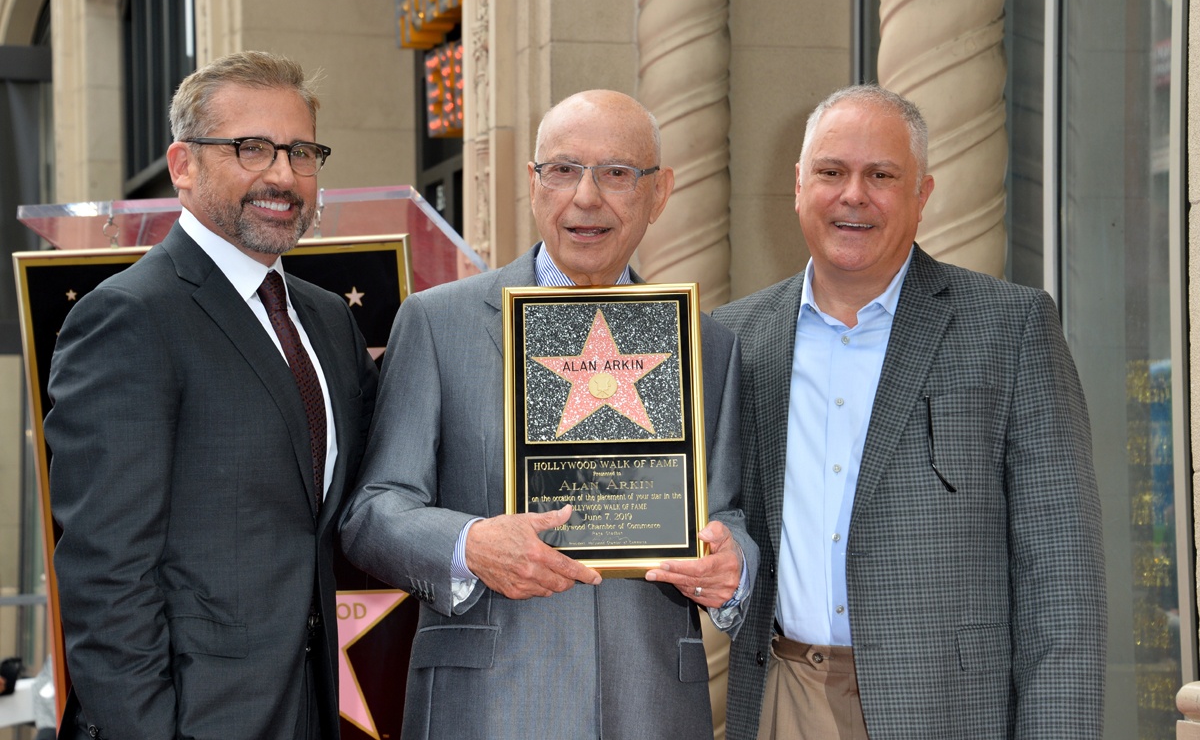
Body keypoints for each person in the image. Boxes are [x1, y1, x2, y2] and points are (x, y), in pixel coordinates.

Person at [340, 89, 759, 739]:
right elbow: (373, 511)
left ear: (660, 191)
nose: (586, 197)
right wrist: (468, 544)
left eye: (617, 173)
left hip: (649, 705)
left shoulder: (707, 346)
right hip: (485, 707)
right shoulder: (437, 322)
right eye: (563, 170)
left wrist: (735, 563)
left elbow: (727, 513)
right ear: (533, 184)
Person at [715, 84, 1106, 740]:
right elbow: (721, 509)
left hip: (951, 712)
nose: (853, 195)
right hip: (783, 701)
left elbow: (1062, 585)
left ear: (922, 194)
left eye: (882, 175)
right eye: (831, 172)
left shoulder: (1010, 329)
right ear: (798, 185)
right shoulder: (736, 338)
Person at [45, 51, 378, 740]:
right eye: (251, 149)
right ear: (183, 164)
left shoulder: (325, 320)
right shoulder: (132, 318)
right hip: (193, 718)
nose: (283, 175)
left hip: (313, 704)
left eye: (301, 151)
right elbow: (106, 574)